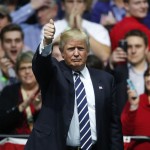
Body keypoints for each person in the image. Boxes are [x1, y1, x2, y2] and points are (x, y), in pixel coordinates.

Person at [25, 19, 123, 150]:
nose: (76, 53)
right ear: (62, 52)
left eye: (81, 48)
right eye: (71, 49)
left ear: (87, 51)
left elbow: (113, 125)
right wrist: (47, 42)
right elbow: (41, 65)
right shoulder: (54, 73)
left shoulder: (106, 79)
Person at [53, 0, 111, 64]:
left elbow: (105, 56)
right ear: (63, 5)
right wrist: (69, 28)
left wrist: (82, 31)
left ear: (85, 6)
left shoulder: (98, 28)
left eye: (79, 1)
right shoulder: (51, 27)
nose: (75, 6)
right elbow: (46, 53)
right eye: (70, 1)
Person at [108, 29, 148, 114]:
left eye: (138, 46)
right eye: (129, 47)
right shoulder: (117, 72)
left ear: (146, 49)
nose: (133, 51)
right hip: (124, 125)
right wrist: (110, 64)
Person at [0, 51, 41, 134]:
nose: (27, 71)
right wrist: (21, 107)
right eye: (23, 68)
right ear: (17, 73)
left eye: (30, 67)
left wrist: (39, 110)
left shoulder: (47, 90)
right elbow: (2, 124)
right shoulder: (9, 91)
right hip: (14, 142)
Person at [121, 66, 150, 149]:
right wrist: (133, 107)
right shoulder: (136, 101)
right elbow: (124, 131)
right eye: (147, 75)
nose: (148, 78)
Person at [0, 23, 26, 91]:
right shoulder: (1, 71)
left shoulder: (33, 67)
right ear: (2, 45)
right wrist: (4, 77)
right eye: (8, 41)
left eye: (17, 40)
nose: (13, 45)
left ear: (23, 44)